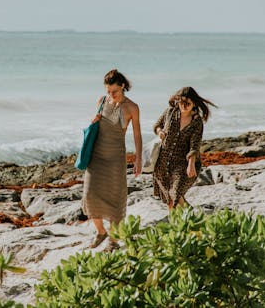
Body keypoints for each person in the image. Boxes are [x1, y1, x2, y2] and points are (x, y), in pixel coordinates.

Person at [82, 69, 142, 251]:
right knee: (89, 194)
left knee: (116, 200)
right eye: (108, 91)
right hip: (96, 156)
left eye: (114, 91)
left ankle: (114, 241)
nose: (111, 94)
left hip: (116, 158)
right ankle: (101, 232)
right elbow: (95, 127)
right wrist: (93, 121)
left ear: (122, 86)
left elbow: (137, 135)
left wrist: (139, 158)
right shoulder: (102, 101)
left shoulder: (131, 107)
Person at [153, 86, 216, 210]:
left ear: (194, 104)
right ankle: (183, 220)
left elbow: (195, 145)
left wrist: (191, 164)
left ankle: (181, 222)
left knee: (175, 193)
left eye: (187, 104)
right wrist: (160, 131)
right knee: (169, 197)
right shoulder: (169, 112)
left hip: (182, 164)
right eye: (181, 103)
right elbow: (156, 125)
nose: (183, 106)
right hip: (162, 164)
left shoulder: (196, 122)